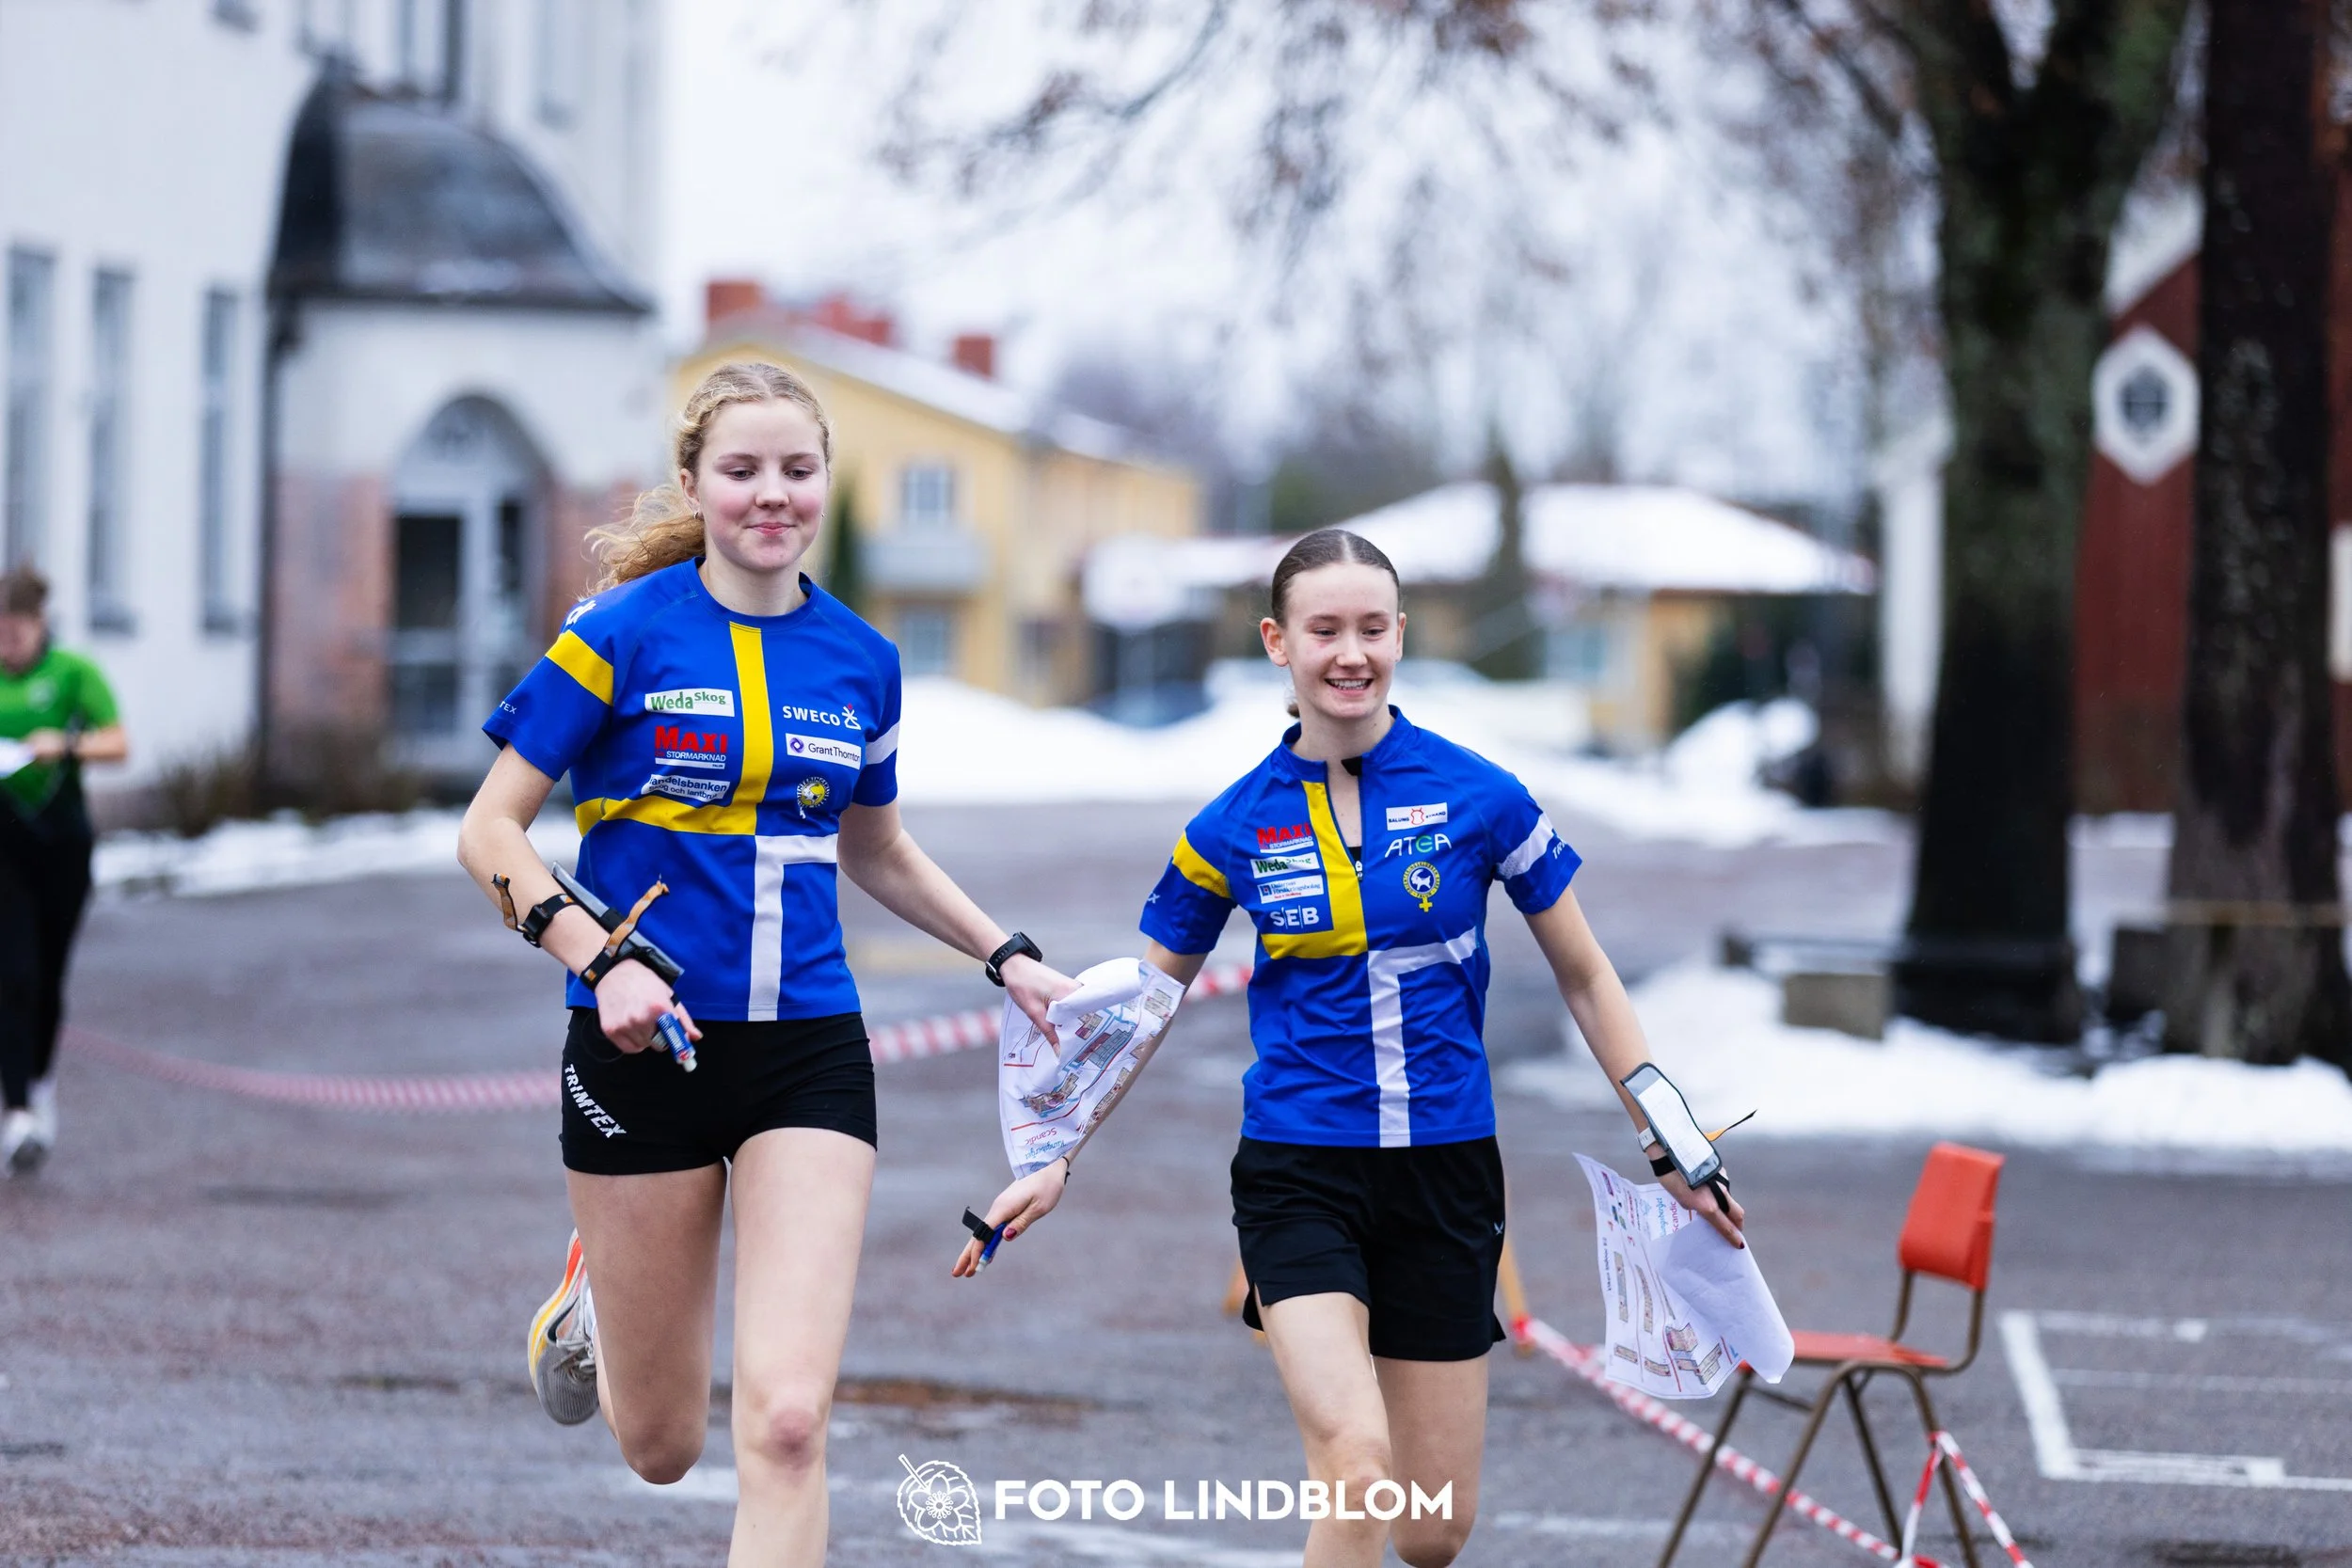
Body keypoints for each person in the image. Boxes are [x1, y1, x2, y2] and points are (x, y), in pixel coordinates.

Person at [957, 528, 1748, 1568]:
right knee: (1360, 1463)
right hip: (1298, 1175)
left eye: (1372, 627)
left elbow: (1589, 974)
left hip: (1446, 1176)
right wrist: (1050, 1154)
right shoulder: (1228, 825)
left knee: (1429, 1528)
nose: (1350, 652)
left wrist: (1673, 1142)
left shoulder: (1483, 796)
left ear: (1401, 635)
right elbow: (1139, 1005)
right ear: (1277, 642)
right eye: (1324, 629)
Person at [457, 361, 1071, 1566]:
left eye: (797, 469)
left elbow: (876, 847)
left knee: (788, 1420)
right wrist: (603, 960)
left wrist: (1004, 953)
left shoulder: (861, 659)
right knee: (663, 1443)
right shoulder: (616, 636)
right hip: (643, 1048)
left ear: (828, 483)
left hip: (809, 1052)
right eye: (741, 470)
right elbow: (488, 831)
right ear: (694, 482)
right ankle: (594, 1295)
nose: (771, 495)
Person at [0, 567, 128, 1176]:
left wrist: (65, 745)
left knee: (48, 976)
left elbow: (118, 742)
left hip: (62, 843)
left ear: (39, 624)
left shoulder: (74, 673)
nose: (7, 645)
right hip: (4, 843)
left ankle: (40, 1082)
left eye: (16, 633)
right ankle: (17, 1109)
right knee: (14, 970)